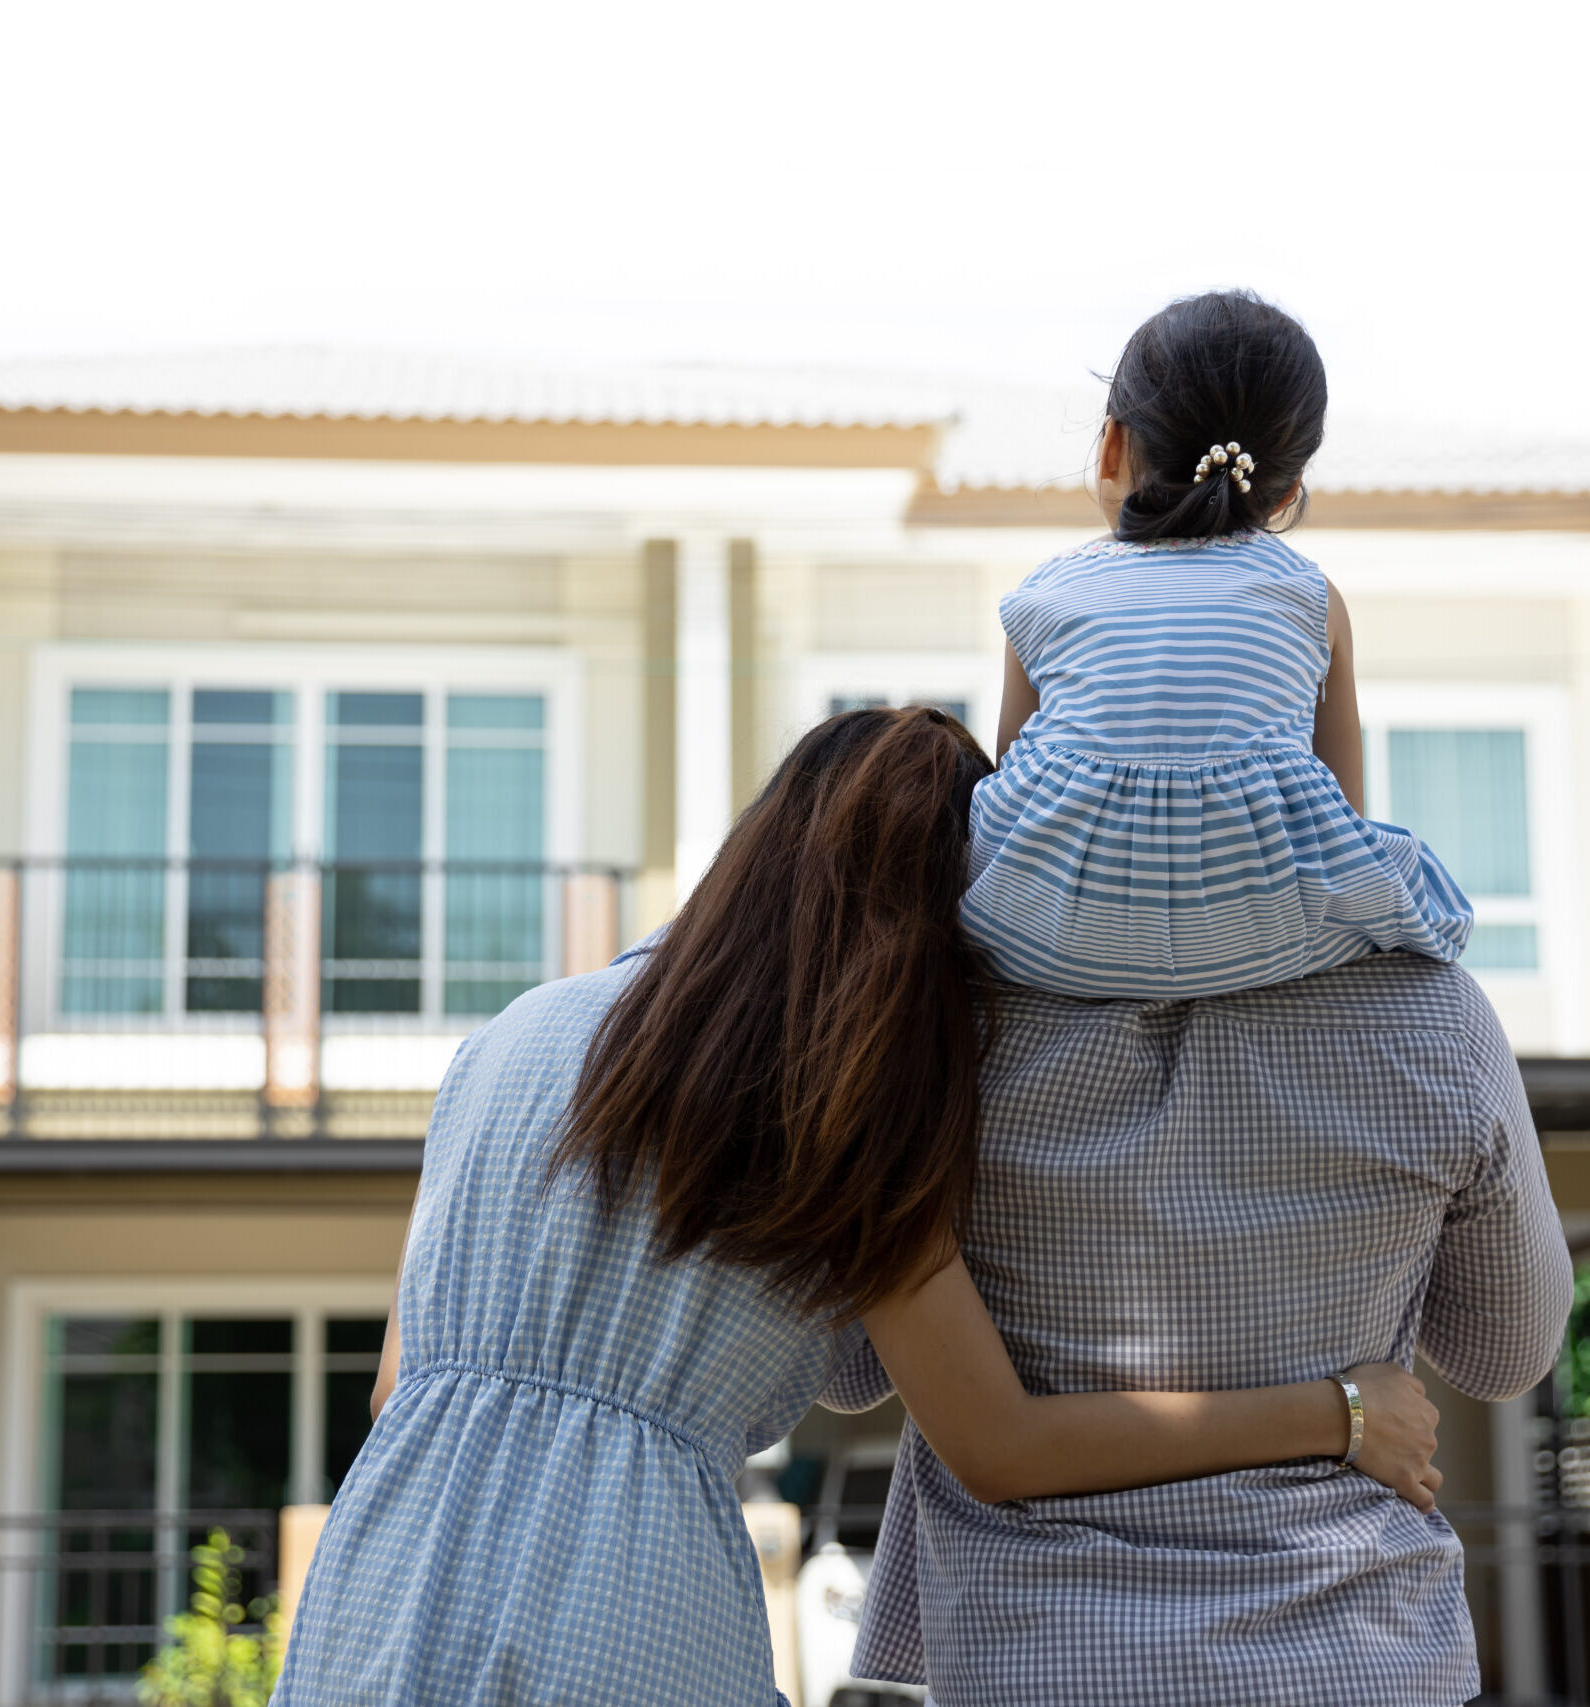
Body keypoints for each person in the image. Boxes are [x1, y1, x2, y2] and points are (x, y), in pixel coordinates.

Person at [273, 708, 1439, 1707]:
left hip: (376, 1594)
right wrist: (1340, 1411)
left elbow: (394, 1387)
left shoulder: (511, 1034)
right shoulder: (840, 1100)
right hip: (626, 1608)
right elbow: (1001, 1445)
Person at [840, 301, 1575, 1706]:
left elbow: (848, 1369)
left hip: (1037, 1662)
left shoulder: (935, 1040)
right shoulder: (1430, 1025)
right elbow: (1501, 1348)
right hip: (1350, 1660)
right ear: (1291, 487)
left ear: (1111, 445)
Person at [961, 289, 1473, 998]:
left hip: (1044, 941)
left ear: (1110, 446)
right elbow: (1342, 812)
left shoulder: (1044, 595)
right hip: (1267, 934)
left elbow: (1012, 793)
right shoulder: (1310, 597)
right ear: (1288, 488)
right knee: (1412, 872)